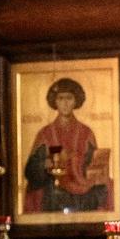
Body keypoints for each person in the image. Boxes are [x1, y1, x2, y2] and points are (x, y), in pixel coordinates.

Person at [25, 75, 109, 214]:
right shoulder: (45, 134)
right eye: (60, 98)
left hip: (83, 192)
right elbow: (30, 171)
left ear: (76, 101)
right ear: (55, 102)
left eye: (69, 98)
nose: (64, 103)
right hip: (53, 191)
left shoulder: (86, 133)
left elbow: (94, 166)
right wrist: (48, 163)